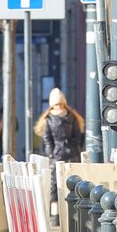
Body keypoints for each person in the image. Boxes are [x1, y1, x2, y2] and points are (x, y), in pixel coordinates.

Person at [35, 87, 85, 218]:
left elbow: (78, 136)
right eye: (56, 105)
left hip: (72, 154)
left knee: (73, 183)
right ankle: (55, 213)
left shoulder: (72, 117)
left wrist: (76, 149)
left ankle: (72, 212)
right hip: (57, 156)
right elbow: (47, 140)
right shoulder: (49, 120)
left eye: (61, 104)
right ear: (52, 105)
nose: (59, 107)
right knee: (55, 185)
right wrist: (51, 154)